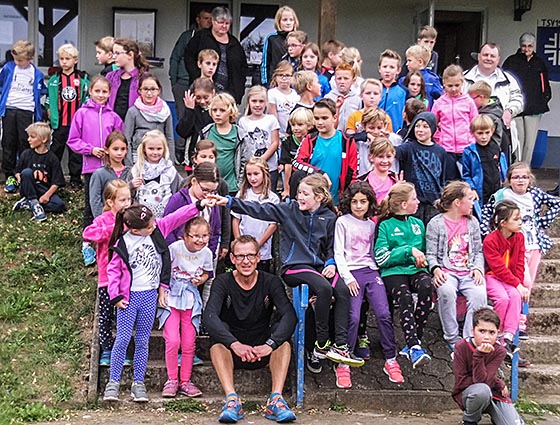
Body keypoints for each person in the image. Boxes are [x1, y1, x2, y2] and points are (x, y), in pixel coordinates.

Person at [215, 174, 364, 375]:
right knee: (323, 288)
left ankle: (341, 344)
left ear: (319, 197)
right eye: (298, 192)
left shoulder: (329, 217)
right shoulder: (289, 210)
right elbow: (260, 209)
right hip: (294, 266)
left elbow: (331, 247)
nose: (299, 197)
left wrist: (330, 263)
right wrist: (231, 202)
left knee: (343, 290)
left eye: (304, 194)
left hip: (318, 268)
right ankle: (322, 342)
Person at [102, 198, 215, 403]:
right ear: (135, 230)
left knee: (143, 340)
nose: (154, 226)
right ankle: (113, 382)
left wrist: (197, 206)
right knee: (123, 338)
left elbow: (177, 217)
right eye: (149, 226)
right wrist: (116, 295)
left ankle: (139, 383)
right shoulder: (122, 243)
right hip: (128, 298)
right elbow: (113, 271)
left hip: (149, 296)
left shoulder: (157, 231)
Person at [203, 235, 297, 423]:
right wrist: (234, 344)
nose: (246, 261)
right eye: (240, 256)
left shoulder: (271, 281)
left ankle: (276, 400)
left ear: (258, 257)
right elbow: (209, 317)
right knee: (217, 341)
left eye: (250, 256)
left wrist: (270, 345)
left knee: (283, 339)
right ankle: (232, 400)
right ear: (232, 259)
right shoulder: (222, 282)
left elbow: (289, 315)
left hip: (263, 347)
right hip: (232, 349)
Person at [335, 182, 404, 386]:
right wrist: (347, 277)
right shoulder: (342, 222)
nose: (358, 206)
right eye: (355, 202)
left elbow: (373, 254)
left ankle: (391, 359)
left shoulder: (372, 225)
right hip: (351, 272)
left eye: (363, 202)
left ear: (369, 203)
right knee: (353, 317)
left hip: (371, 272)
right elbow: (339, 253)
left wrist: (379, 274)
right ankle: (343, 362)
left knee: (384, 314)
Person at [481, 162, 560, 340]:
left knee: (528, 283)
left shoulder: (535, 194)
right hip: (509, 243)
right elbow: (487, 213)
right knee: (520, 281)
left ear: (530, 178)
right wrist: (490, 232)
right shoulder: (501, 195)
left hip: (532, 243)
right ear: (509, 180)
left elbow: (555, 204)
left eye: (524, 176)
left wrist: (542, 223)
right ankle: (510, 324)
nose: (520, 180)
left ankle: (520, 322)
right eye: (516, 177)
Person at [374, 182, 433, 368]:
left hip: (415, 270)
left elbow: (425, 252)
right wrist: (408, 250)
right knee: (405, 297)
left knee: (427, 287)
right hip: (393, 272)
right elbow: (382, 258)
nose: (418, 202)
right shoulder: (384, 226)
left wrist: (424, 261)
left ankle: (415, 341)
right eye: (414, 199)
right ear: (404, 204)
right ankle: (413, 345)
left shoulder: (418, 224)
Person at [426, 181, 487, 357]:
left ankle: (469, 338)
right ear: (457, 203)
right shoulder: (436, 224)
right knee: (446, 291)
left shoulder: (472, 222)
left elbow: (477, 251)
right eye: (470, 199)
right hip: (447, 270)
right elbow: (430, 253)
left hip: (467, 270)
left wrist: (477, 268)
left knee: (479, 294)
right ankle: (452, 337)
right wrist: (436, 269)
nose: (473, 202)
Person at [67, 75, 124, 266]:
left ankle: (113, 243)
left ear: (109, 93)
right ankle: (87, 245)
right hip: (91, 168)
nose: (100, 95)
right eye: (97, 91)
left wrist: (113, 154)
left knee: (114, 206)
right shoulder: (81, 114)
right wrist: (90, 150)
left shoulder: (114, 117)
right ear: (90, 91)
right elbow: (73, 140)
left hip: (111, 170)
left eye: (104, 91)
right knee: (91, 206)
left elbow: (120, 141)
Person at [159, 216, 213, 398]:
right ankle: (172, 379)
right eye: (195, 235)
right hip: (172, 298)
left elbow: (207, 273)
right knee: (173, 340)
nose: (200, 240)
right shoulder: (174, 248)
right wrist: (162, 292)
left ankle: (186, 381)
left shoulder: (207, 253)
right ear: (185, 236)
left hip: (191, 299)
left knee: (189, 342)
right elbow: (163, 271)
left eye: (205, 235)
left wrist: (201, 280)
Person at [83, 179, 132, 366]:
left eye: (129, 199)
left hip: (127, 279)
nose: (127, 203)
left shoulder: (132, 219)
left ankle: (122, 350)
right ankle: (106, 350)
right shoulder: (102, 220)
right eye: (122, 200)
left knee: (124, 316)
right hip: (107, 278)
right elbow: (88, 234)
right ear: (111, 202)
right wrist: (114, 229)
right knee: (106, 315)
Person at [164, 161, 225, 305]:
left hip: (202, 257)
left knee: (205, 288)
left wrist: (208, 254)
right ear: (194, 182)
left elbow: (215, 230)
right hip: (179, 259)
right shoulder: (178, 199)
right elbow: (167, 228)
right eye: (205, 190)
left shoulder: (212, 201)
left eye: (213, 191)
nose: (209, 195)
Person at [452, 307, 526, 425]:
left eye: (492, 332)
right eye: (482, 331)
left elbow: (486, 380)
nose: (486, 337)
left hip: (494, 393)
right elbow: (462, 382)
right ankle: (470, 421)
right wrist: (478, 356)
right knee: (482, 390)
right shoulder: (461, 346)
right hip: (470, 394)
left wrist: (493, 381)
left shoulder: (499, 351)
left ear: (498, 333)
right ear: (472, 331)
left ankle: (496, 414)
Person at [482, 200, 528, 361]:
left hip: (510, 279)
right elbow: (498, 268)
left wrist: (519, 284)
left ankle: (507, 336)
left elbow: (520, 264)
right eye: (516, 219)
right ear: (503, 223)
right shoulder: (490, 240)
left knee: (515, 296)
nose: (520, 222)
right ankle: (496, 332)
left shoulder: (519, 238)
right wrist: (516, 283)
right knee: (502, 298)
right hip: (493, 276)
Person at [463, 43, 524, 162]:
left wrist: (509, 111)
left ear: (498, 59)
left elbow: (518, 99)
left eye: (492, 56)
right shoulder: (463, 78)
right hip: (469, 135)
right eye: (485, 55)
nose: (488, 58)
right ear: (479, 56)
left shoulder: (509, 80)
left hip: (501, 136)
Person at [0, 40, 46, 194]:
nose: (17, 62)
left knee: (25, 143)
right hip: (10, 109)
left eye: (20, 60)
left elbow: (42, 91)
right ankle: (9, 175)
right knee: (8, 142)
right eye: (15, 59)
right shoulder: (8, 68)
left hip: (26, 110)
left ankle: (23, 174)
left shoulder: (37, 74)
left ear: (30, 58)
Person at [292, 98, 358, 205]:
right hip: (312, 201)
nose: (320, 122)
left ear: (335, 118)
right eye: (316, 118)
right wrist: (320, 173)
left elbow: (354, 173)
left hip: (337, 202)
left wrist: (346, 201)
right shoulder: (310, 139)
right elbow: (297, 163)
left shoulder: (347, 141)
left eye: (324, 118)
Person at [503, 32, 552, 163]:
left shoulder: (539, 63)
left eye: (530, 46)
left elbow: (545, 84)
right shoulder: (511, 61)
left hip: (535, 108)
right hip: (517, 108)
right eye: (524, 46)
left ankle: (525, 172)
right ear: (520, 46)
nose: (527, 49)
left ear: (534, 46)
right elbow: (504, 83)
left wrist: (544, 98)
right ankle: (516, 170)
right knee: (517, 141)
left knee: (530, 143)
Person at [46, 43, 89, 189]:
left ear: (75, 60)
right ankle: (54, 178)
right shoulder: (54, 79)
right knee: (56, 150)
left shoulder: (82, 79)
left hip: (76, 124)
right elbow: (48, 100)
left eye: (67, 59)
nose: (64, 62)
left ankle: (75, 178)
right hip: (60, 122)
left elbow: (86, 99)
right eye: (61, 59)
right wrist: (50, 115)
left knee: (75, 152)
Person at [185, 7, 248, 104]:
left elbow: (242, 68)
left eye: (227, 23)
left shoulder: (235, 43)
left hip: (229, 94)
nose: (224, 26)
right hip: (203, 91)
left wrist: (239, 90)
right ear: (213, 21)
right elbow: (188, 59)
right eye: (220, 22)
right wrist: (198, 79)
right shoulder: (201, 37)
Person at [395, 111, 448, 225]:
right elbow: (393, 152)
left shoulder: (441, 151)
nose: (420, 130)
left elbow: (443, 178)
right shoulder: (409, 147)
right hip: (414, 202)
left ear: (432, 129)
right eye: (417, 126)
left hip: (434, 203)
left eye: (425, 126)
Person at [232, 157, 279, 273]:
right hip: (242, 248)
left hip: (262, 250)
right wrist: (238, 241)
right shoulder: (242, 195)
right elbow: (236, 220)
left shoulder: (273, 198)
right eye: (249, 174)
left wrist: (258, 244)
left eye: (256, 174)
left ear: (264, 174)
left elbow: (273, 225)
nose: (252, 178)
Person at [431, 64, 478, 180]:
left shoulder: (468, 102)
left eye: (457, 85)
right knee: (449, 182)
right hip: (446, 150)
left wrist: (472, 139)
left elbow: (476, 124)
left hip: (466, 148)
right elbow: (431, 124)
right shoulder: (439, 103)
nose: (453, 89)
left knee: (466, 180)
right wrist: (439, 138)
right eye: (450, 85)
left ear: (462, 83)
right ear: (444, 84)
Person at [169, 8, 212, 131]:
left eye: (211, 19)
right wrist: (174, 82)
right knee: (183, 116)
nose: (208, 22)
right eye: (205, 18)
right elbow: (175, 57)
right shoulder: (188, 36)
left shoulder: (213, 38)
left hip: (204, 85)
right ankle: (181, 148)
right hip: (183, 82)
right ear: (198, 20)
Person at [13, 122, 66, 221]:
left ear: (44, 139)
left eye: (32, 137)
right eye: (28, 137)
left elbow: (56, 182)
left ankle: (30, 204)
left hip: (43, 189)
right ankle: (33, 201)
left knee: (59, 205)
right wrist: (19, 177)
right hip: (29, 188)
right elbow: (17, 171)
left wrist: (47, 196)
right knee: (27, 172)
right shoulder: (26, 154)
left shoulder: (52, 158)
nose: (29, 140)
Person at [199, 93, 250, 194]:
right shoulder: (205, 132)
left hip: (231, 187)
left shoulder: (240, 135)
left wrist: (239, 184)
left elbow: (246, 161)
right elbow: (198, 156)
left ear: (231, 111)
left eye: (222, 110)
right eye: (214, 110)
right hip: (208, 186)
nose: (217, 114)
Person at [462, 114, 508, 217]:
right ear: (473, 133)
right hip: (480, 192)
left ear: (492, 131)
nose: (484, 137)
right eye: (480, 133)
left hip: (497, 191)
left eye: (487, 133)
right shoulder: (469, 152)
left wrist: (506, 183)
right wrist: (472, 189)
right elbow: (466, 175)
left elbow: (504, 169)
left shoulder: (497, 148)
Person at [130, 130, 182, 218]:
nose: (155, 152)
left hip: (166, 216)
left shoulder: (170, 169)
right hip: (143, 217)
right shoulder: (137, 169)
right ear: (144, 149)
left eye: (159, 149)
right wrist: (131, 186)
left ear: (164, 149)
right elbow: (128, 195)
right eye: (151, 149)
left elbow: (177, 191)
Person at [124, 73, 175, 163]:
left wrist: (170, 163)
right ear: (139, 90)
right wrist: (129, 165)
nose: (149, 93)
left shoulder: (165, 111)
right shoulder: (133, 112)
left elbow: (170, 139)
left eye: (153, 89)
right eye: (145, 89)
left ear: (158, 90)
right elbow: (127, 140)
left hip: (160, 158)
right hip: (138, 159)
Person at [238, 86, 281, 190]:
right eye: (254, 101)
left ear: (266, 102)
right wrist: (253, 163)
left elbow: (275, 142)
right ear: (248, 102)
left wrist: (262, 160)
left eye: (261, 101)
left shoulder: (271, 119)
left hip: (269, 167)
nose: (257, 105)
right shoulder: (243, 121)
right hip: (251, 168)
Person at [89, 130, 133, 218]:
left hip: (128, 220)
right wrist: (101, 220)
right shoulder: (99, 174)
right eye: (115, 149)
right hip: (107, 221)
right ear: (106, 150)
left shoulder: (131, 172)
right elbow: (95, 200)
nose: (119, 153)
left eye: (123, 149)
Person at [106, 38, 150, 121]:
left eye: (117, 53)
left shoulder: (144, 78)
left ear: (130, 55)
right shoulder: (110, 76)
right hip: (113, 124)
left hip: (135, 125)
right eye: (113, 53)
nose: (114, 57)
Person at [176, 77, 215, 167]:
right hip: (193, 155)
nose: (202, 101)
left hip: (212, 155)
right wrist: (190, 110)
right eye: (198, 98)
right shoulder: (192, 110)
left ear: (213, 93)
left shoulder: (216, 110)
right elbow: (182, 132)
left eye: (206, 97)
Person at [353, 107, 402, 176]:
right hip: (366, 181)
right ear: (364, 126)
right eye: (371, 128)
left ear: (385, 125)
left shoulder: (395, 140)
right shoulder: (361, 141)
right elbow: (345, 138)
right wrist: (365, 136)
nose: (376, 132)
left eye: (379, 128)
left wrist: (384, 141)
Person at [279, 107, 314, 200]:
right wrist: (287, 189)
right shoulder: (287, 142)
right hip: (294, 178)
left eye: (300, 125)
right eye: (293, 125)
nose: (296, 128)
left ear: (309, 126)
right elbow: (287, 166)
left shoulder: (314, 140)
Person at [261, 6, 299, 87]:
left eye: (291, 20)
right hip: (275, 83)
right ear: (278, 22)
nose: (288, 23)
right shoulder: (271, 38)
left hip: (294, 83)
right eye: (285, 20)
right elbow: (265, 63)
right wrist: (265, 83)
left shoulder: (299, 38)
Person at [468, 81, 508, 155]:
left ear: (481, 97)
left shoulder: (490, 116)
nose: (469, 101)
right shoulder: (491, 109)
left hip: (489, 153)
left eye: (472, 98)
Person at [358, 137, 399, 204]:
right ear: (371, 157)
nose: (385, 161)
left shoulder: (397, 180)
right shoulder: (362, 181)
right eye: (380, 156)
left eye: (388, 156)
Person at [325, 63, 361, 132]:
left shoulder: (357, 99)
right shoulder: (328, 98)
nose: (342, 82)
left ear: (353, 80)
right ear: (335, 80)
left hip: (350, 136)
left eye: (346, 79)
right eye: (339, 78)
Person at [267, 61, 300, 138]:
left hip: (294, 133)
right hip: (278, 134)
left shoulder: (296, 94)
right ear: (275, 77)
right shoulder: (272, 93)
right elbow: (273, 117)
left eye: (287, 75)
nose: (284, 78)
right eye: (281, 75)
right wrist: (278, 135)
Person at [378, 49, 407, 131]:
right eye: (384, 66)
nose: (387, 70)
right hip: (374, 134)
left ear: (398, 70)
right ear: (379, 68)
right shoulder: (373, 88)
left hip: (395, 135)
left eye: (392, 67)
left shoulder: (404, 92)